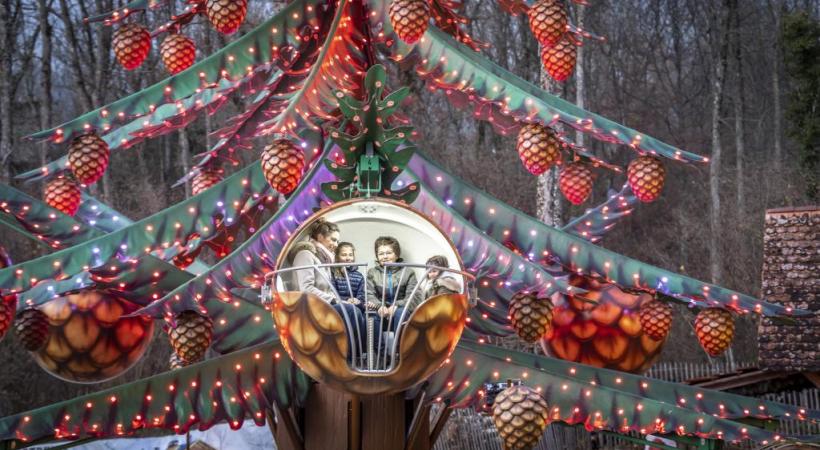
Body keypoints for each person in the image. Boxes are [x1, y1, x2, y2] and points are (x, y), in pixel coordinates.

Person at [365, 236, 420, 323]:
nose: (385, 256)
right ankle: (375, 337)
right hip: (380, 311)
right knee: (372, 316)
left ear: (397, 254)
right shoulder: (372, 273)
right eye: (381, 254)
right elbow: (368, 294)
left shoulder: (408, 272)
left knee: (401, 313)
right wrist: (380, 306)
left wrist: (396, 305)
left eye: (389, 253)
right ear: (377, 256)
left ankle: (399, 337)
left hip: (399, 310)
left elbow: (414, 298)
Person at [286, 218, 340, 304]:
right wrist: (333, 300)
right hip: (309, 306)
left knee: (354, 309)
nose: (336, 245)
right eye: (333, 240)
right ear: (320, 237)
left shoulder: (324, 260)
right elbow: (306, 288)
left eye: (337, 241)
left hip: (323, 305)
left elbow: (327, 291)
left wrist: (341, 301)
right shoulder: (304, 254)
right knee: (352, 311)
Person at [331, 242, 366, 309]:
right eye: (344, 255)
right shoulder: (332, 272)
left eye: (350, 255)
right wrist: (347, 300)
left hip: (355, 308)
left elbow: (362, 298)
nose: (348, 258)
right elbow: (332, 294)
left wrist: (358, 301)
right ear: (337, 256)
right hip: (338, 307)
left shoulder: (359, 276)